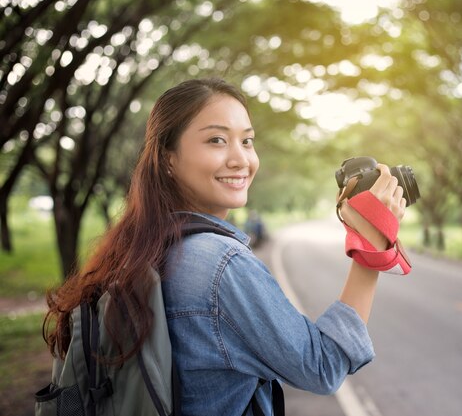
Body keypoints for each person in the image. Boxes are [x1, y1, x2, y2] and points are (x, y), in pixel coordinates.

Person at [43, 78, 407, 416]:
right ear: (168, 159)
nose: (240, 159)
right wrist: (371, 245)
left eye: (246, 141)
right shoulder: (221, 264)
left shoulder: (143, 244)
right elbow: (322, 366)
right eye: (217, 140)